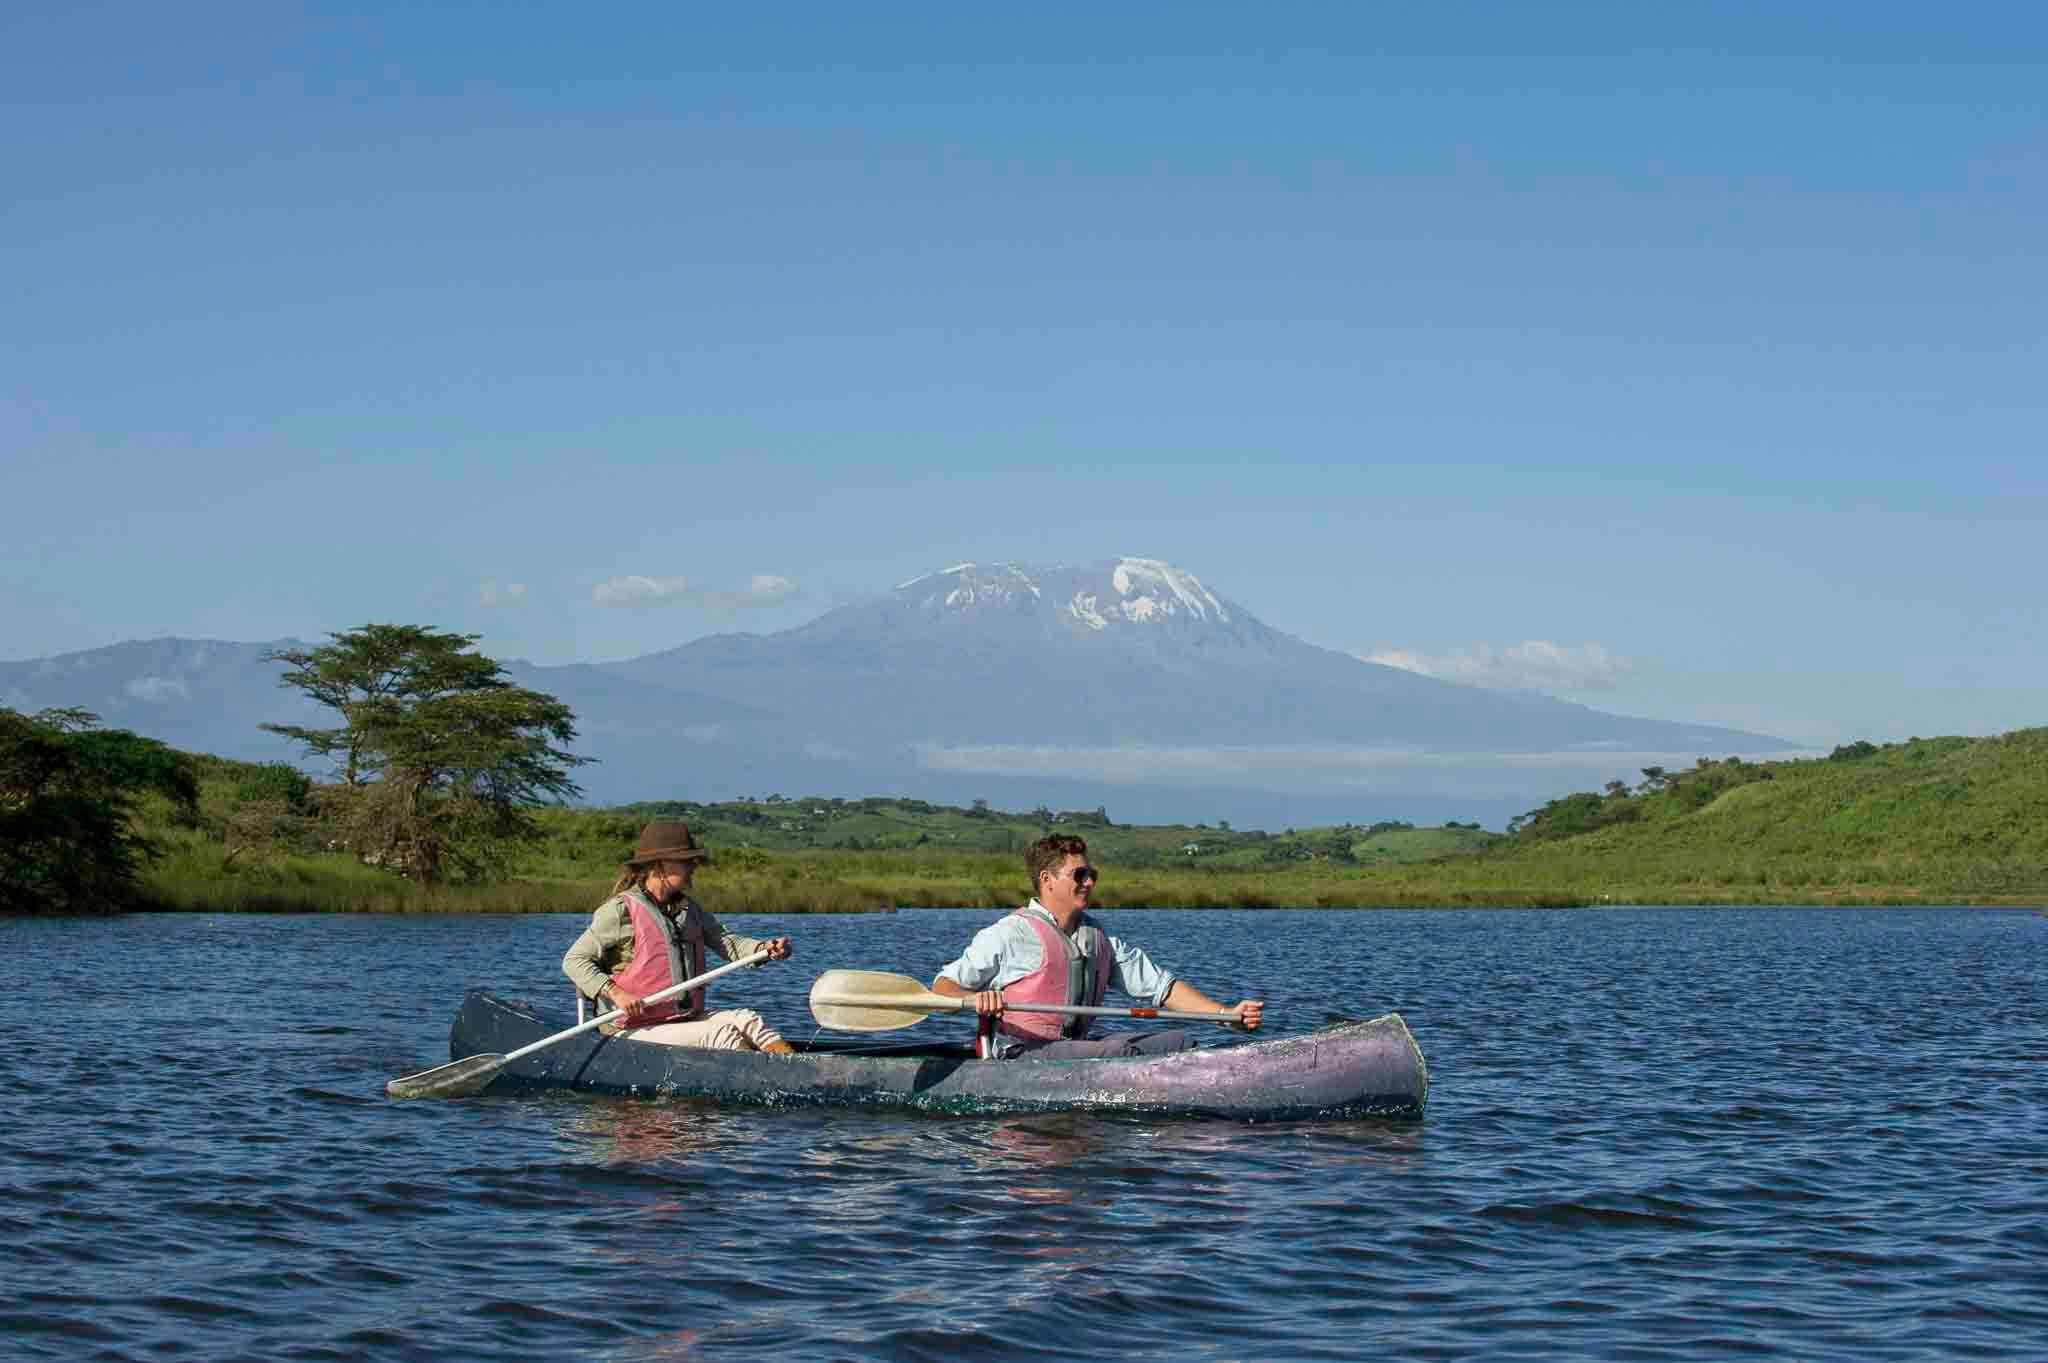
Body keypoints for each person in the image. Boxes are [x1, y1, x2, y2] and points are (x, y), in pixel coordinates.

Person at [931, 834, 1263, 1059]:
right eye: (1079, 875)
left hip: (1073, 1051)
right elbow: (941, 989)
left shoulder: (1098, 937)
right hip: (1021, 1053)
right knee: (1116, 1055)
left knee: (1181, 1043)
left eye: (1092, 874)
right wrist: (974, 999)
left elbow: (1162, 988)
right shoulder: (1009, 934)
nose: (1089, 882)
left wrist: (1224, 1016)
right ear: (1047, 880)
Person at [562, 821, 797, 1053]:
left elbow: (727, 942)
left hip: (677, 1020)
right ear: (658, 867)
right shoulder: (619, 911)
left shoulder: (689, 910)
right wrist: (617, 993)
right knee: (721, 1035)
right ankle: (765, 1083)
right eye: (686, 861)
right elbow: (574, 961)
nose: (693, 866)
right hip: (629, 1029)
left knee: (750, 1021)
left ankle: (794, 1075)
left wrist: (763, 949)